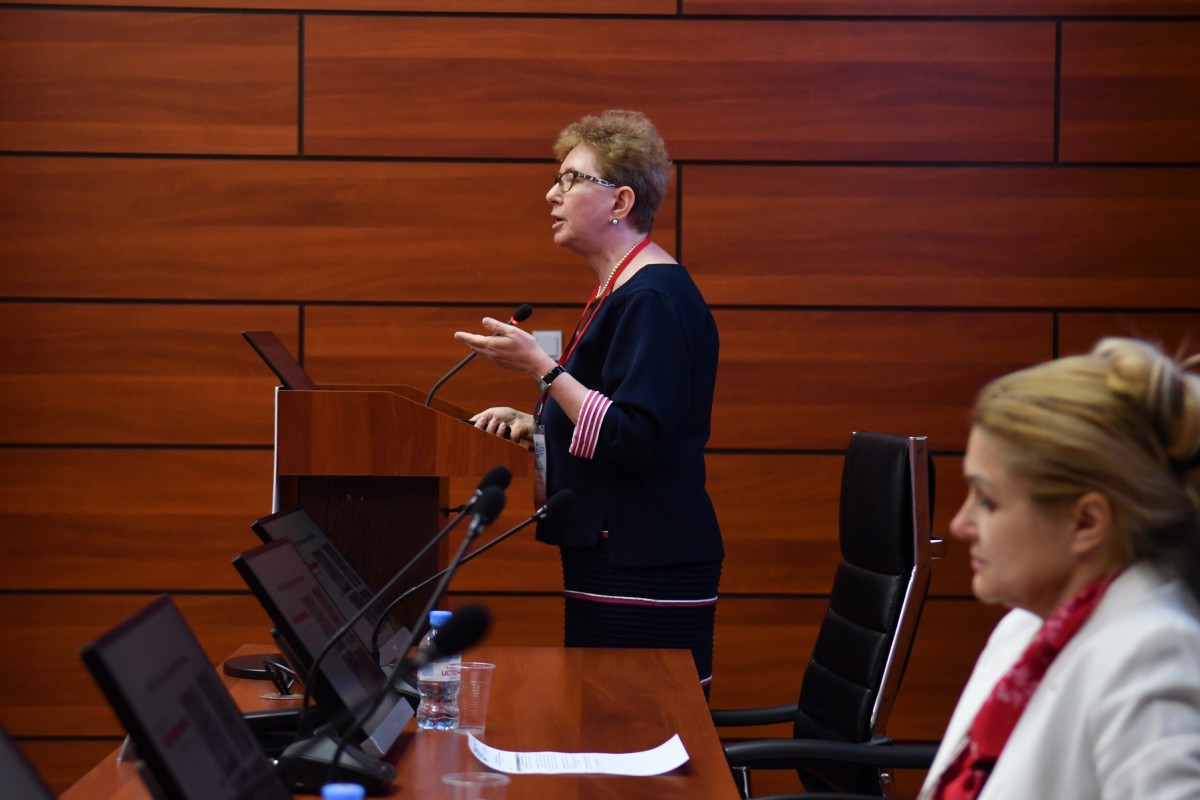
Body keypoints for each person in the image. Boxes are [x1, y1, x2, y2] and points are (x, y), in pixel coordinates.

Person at [453, 109, 723, 695]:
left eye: (571, 180)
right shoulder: (622, 289)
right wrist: (537, 423)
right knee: (603, 721)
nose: (552, 194)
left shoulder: (653, 297)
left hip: (646, 561)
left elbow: (633, 437)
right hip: (623, 553)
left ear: (621, 201)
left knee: (633, 729)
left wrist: (542, 369)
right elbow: (610, 410)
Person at [919, 337, 1200, 799]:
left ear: (1086, 522)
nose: (960, 524)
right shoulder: (1025, 627)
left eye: (987, 500)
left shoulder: (1152, 652)